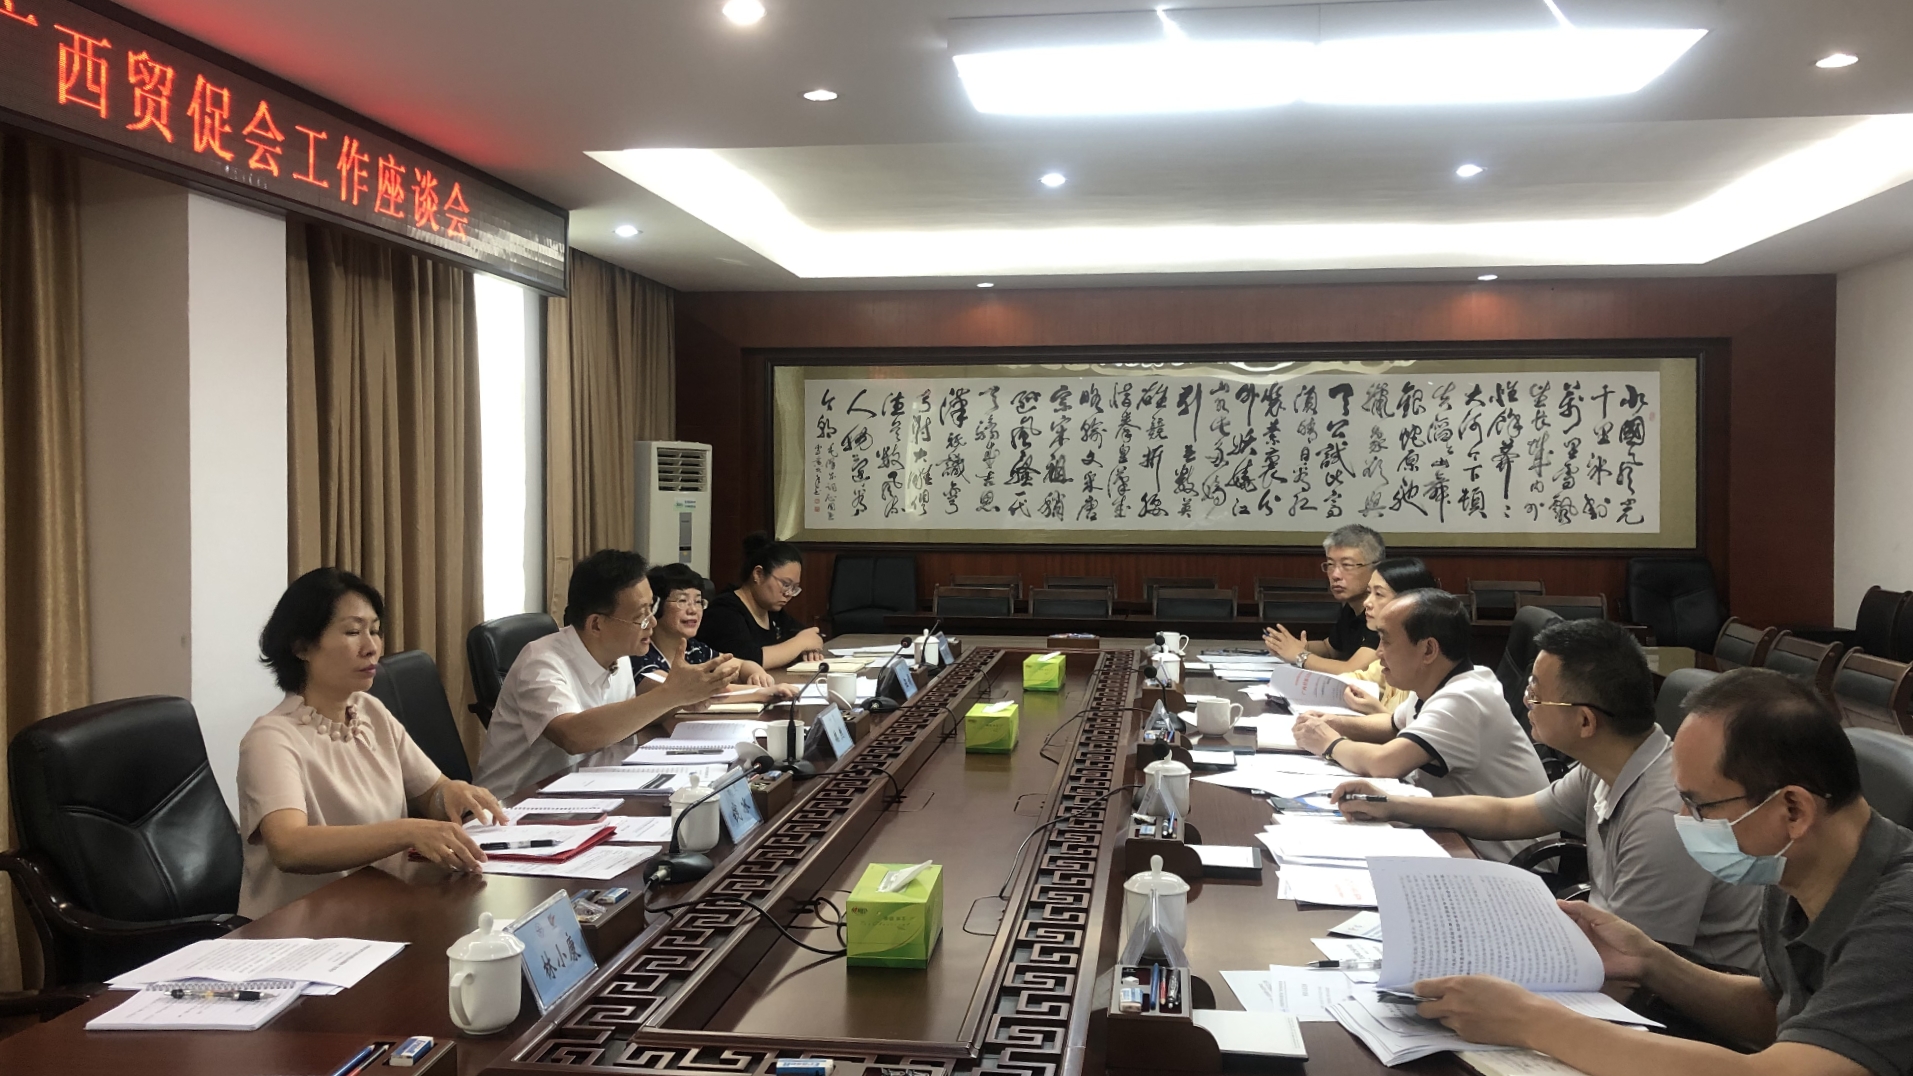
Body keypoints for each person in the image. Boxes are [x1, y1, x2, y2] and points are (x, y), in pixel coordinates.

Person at [1412, 669, 1913, 1076]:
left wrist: (1529, 1021)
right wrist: (1650, 962)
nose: (1682, 818)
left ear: (1794, 810)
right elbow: (1777, 1012)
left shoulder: (1899, 918)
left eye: (1699, 805)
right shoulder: (1794, 866)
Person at [1332, 618, 1764, 970]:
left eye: (1537, 693)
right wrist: (1393, 805)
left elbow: (1634, 969)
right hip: (1603, 949)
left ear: (1586, 722)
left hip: (1682, 999)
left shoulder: (1664, 815)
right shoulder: (1609, 766)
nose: (1526, 701)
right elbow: (1510, 815)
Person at [238, 568, 506, 918]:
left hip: (383, 908)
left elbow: (431, 792)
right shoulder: (271, 739)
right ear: (301, 646)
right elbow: (289, 846)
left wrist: (451, 793)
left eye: (375, 631)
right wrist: (406, 831)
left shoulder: (369, 711)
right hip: (303, 927)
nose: (372, 647)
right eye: (353, 632)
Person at [1292, 589, 1549, 860]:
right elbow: (1393, 726)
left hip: (1506, 858)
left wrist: (1329, 743)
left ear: (1428, 649)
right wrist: (1335, 723)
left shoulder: (1464, 699)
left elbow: (1384, 763)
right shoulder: (1438, 681)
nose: (1378, 652)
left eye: (1385, 640)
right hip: (1458, 838)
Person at [474, 549, 738, 797]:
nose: (652, 623)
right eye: (641, 616)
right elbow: (573, 736)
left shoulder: (619, 655)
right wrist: (670, 695)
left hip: (584, 791)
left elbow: (623, 727)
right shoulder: (541, 662)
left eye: (652, 608)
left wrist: (682, 700)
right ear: (596, 624)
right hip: (512, 806)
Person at [633, 562, 796, 699]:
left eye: (698, 602)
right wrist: (760, 692)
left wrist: (757, 674)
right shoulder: (641, 653)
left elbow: (741, 664)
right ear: (656, 606)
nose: (693, 610)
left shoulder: (694, 649)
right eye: (682, 601)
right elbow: (687, 694)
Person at [1263, 524, 1384, 674]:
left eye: (1347, 565)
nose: (1335, 575)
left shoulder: (1385, 613)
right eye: (1330, 564)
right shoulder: (1351, 608)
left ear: (1376, 568)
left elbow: (1352, 670)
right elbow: (1330, 649)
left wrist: (1300, 656)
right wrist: (1292, 646)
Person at [698, 533, 825, 670]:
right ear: (758, 574)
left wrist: (807, 648)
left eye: (794, 588)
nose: (788, 594)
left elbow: (807, 634)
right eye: (785, 584)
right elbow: (747, 660)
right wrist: (800, 644)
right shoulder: (723, 612)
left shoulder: (772, 611)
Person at [1338, 556, 1441, 715]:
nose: (1367, 603)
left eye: (1378, 594)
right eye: (1368, 592)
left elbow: (1413, 728)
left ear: (1409, 601)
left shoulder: (1422, 662)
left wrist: (1376, 712)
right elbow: (1357, 678)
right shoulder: (1393, 647)